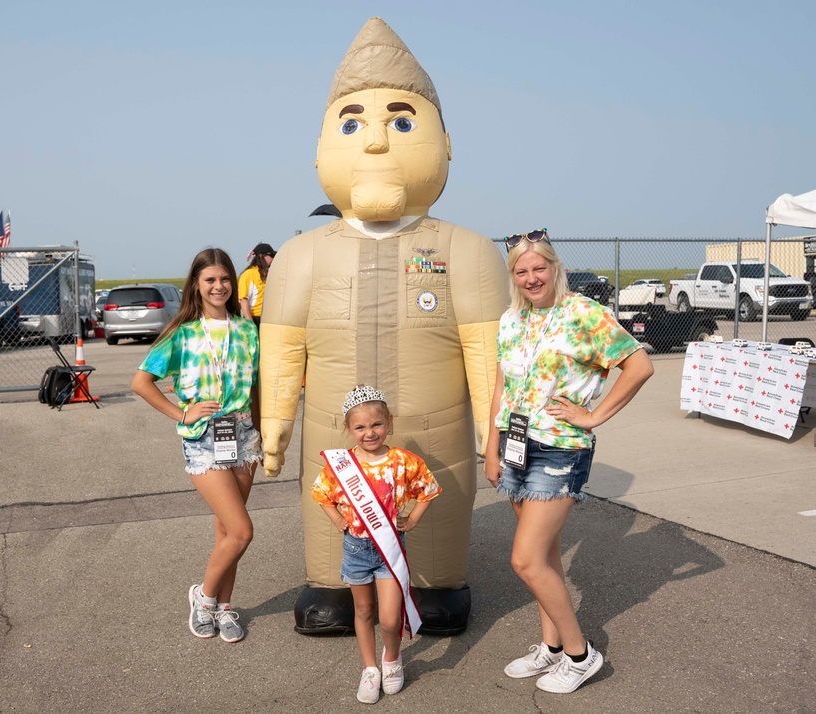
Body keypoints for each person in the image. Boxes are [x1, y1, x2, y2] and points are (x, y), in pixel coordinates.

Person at [259, 16, 507, 636]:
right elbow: (283, 348)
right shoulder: (301, 254)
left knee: (438, 516)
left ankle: (439, 585)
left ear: (445, 145)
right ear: (320, 149)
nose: (374, 142)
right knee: (329, 517)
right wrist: (275, 427)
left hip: (434, 430)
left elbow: (488, 352)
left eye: (401, 123)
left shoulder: (469, 251)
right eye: (352, 124)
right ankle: (333, 585)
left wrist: (491, 431)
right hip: (335, 430)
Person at [484, 230, 654, 694]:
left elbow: (638, 366)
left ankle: (581, 655)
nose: (531, 277)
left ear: (555, 267)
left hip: (559, 447)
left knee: (525, 560)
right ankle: (551, 647)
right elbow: (501, 386)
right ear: (513, 276)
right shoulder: (511, 320)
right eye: (521, 271)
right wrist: (492, 444)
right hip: (517, 445)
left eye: (539, 268)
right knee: (547, 555)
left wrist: (594, 415)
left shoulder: (582, 314)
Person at [131, 247, 261, 644]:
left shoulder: (247, 330)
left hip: (242, 435)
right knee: (242, 532)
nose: (219, 286)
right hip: (204, 438)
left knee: (226, 532)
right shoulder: (182, 334)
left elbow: (254, 387)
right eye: (210, 280)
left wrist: (263, 433)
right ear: (197, 285)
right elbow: (141, 383)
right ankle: (203, 599)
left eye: (224, 279)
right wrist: (181, 414)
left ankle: (223, 610)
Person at [312, 385, 441, 704]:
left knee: (390, 617)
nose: (369, 433)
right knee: (364, 609)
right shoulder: (341, 466)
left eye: (376, 425)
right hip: (355, 549)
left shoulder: (403, 461)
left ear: (389, 422)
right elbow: (321, 494)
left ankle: (391, 659)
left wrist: (412, 520)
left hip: (389, 549)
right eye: (360, 427)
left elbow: (428, 489)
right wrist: (336, 519)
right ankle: (370, 668)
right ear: (348, 429)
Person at [238, 242, 276, 326]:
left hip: (267, 319)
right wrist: (250, 324)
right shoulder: (249, 274)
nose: (273, 259)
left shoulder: (267, 274)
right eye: (272, 256)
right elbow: (243, 300)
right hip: (254, 319)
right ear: (263, 256)